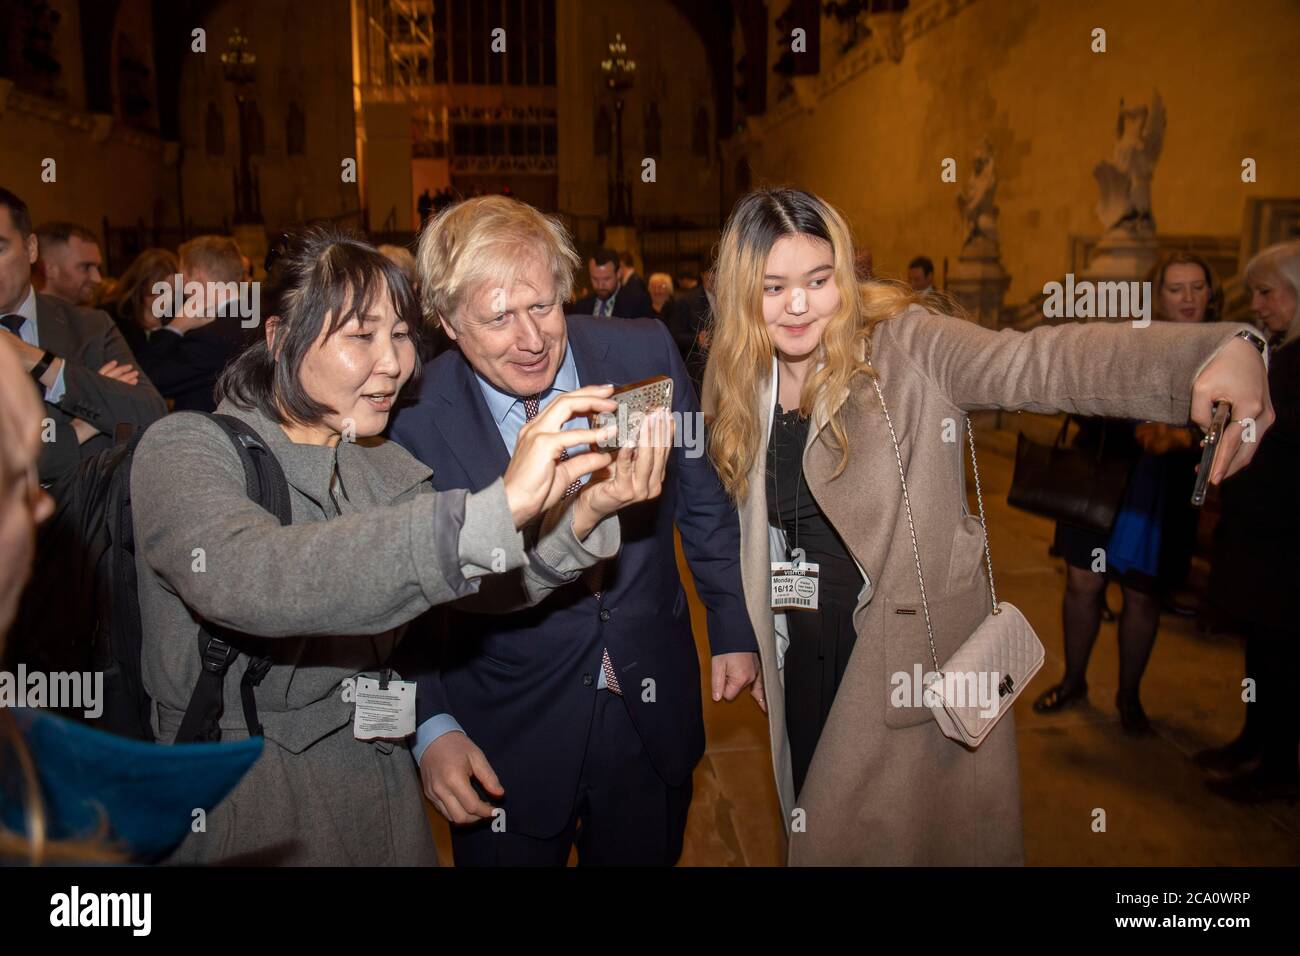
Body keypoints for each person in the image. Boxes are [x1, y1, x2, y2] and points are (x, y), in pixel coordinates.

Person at [702, 187, 1272, 865]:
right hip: (802, 644)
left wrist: (1215, 352)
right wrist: (760, 632)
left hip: (899, 657)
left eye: (819, 281)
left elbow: (1039, 362)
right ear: (741, 290)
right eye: (773, 287)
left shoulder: (907, 346)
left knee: (867, 839)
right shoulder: (741, 374)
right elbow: (742, 522)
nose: (799, 306)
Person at [130, 225, 653, 865]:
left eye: (401, 335)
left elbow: (474, 589)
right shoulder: (186, 449)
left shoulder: (381, 466)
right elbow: (254, 577)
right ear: (278, 338)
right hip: (251, 815)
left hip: (384, 806)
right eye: (361, 336)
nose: (394, 364)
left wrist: (583, 516)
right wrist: (503, 503)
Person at [389, 196, 758, 866]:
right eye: (498, 317)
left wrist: (732, 622)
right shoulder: (412, 418)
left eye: (542, 306)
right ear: (445, 320)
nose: (530, 340)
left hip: (650, 714)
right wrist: (431, 725)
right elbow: (399, 594)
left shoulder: (641, 350)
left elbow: (701, 495)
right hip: (506, 734)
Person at [1033, 251, 1223, 733]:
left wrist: (1180, 438)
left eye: (1196, 287)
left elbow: (1240, 426)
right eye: (1175, 288)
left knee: (1141, 594)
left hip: (1161, 494)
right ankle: (1074, 681)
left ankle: (1129, 699)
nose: (1187, 298)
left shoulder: (1226, 351)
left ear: (1210, 293)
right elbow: (1079, 400)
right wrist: (1130, 424)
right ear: (1157, 296)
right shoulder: (1132, 341)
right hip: (1102, 480)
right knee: (1082, 583)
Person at [1197, 239, 1300, 802]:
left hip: (1286, 534)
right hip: (1259, 528)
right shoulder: (1279, 351)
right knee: (1261, 647)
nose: (1257, 304)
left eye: (1267, 292)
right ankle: (1252, 738)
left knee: (1284, 652)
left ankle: (1279, 762)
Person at [0, 189, 165, 487]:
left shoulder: (89, 326)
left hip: (86, 526)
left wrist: (40, 361)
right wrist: (81, 428)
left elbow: (149, 413)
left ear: (31, 248)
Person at [567, 246, 653, 318]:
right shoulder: (581, 306)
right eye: (595, 279)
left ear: (619, 273)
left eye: (606, 279)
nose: (600, 285)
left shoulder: (638, 303)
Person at [34, 221, 104, 306]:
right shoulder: (27, 318)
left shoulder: (96, 318)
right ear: (49, 269)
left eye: (98, 268)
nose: (97, 279)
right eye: (86, 267)